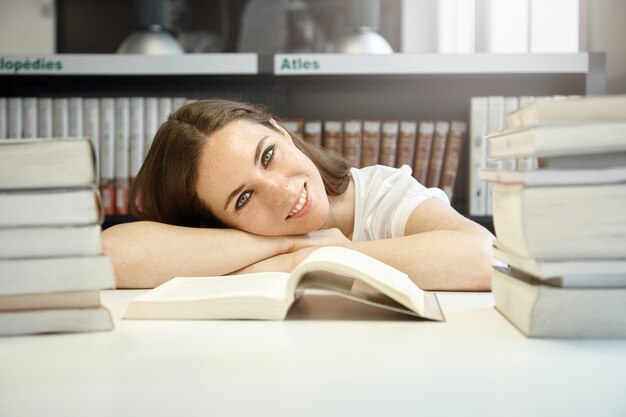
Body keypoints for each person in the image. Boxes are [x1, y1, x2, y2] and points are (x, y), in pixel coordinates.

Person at [102, 98, 495, 290]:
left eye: (268, 155)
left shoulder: (381, 192)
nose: (282, 191)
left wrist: (309, 259)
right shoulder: (236, 242)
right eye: (243, 198)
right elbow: (110, 255)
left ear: (281, 131)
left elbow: (483, 257)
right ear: (216, 224)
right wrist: (292, 243)